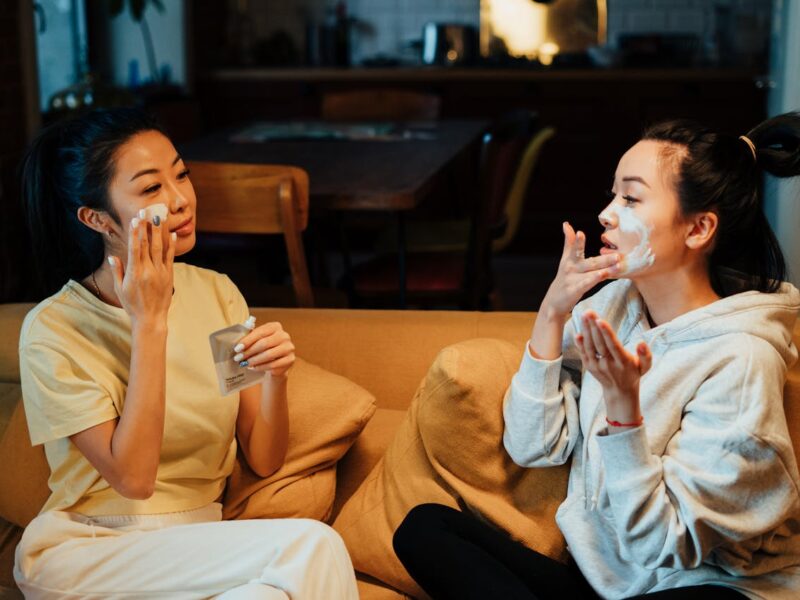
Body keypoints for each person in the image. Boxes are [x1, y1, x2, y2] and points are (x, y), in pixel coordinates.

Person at [393, 113, 800, 599]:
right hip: (607, 583)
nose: (607, 213)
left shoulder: (742, 358)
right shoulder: (615, 304)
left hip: (702, 584)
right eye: (613, 194)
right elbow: (532, 446)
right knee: (423, 530)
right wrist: (551, 313)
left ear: (698, 229)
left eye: (630, 197)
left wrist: (624, 411)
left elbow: (663, 543)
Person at [14, 107, 359, 599]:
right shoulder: (53, 329)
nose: (180, 200)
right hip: (89, 552)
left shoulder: (218, 295)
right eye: (152, 188)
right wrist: (148, 322)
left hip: (199, 547)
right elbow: (133, 478)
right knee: (312, 546)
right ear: (97, 218)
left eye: (182, 175)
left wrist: (276, 377)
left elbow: (262, 458)